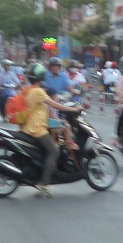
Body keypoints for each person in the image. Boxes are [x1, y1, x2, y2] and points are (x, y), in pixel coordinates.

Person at [16, 62, 81, 196]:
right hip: (37, 129)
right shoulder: (38, 91)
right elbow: (56, 105)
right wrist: (74, 109)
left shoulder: (27, 90)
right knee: (54, 151)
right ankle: (44, 182)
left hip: (27, 127)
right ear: (41, 77)